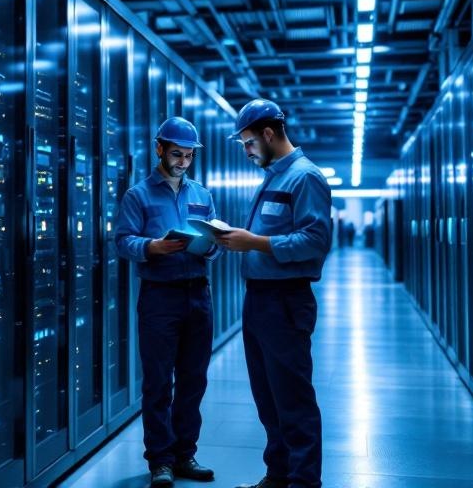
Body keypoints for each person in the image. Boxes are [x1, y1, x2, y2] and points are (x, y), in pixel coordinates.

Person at [214, 99, 332, 488]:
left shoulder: (304, 176)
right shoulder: (273, 176)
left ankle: (303, 482)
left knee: (292, 398)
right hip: (260, 300)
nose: (247, 152)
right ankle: (278, 475)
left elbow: (315, 241)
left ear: (268, 134)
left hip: (285, 300)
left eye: (248, 143)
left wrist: (255, 242)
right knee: (268, 397)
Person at [115, 117, 221, 488]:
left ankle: (184, 454)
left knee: (194, 380)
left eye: (189, 155)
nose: (183, 161)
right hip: (159, 296)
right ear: (159, 148)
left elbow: (213, 243)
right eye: (177, 153)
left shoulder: (202, 195)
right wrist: (152, 247)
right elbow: (122, 240)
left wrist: (211, 247)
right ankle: (160, 460)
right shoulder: (138, 195)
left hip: (198, 294)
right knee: (159, 382)